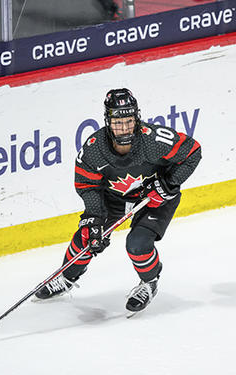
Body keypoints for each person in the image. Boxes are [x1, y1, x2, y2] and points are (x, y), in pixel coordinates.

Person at [34, 88, 201, 312]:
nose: (124, 128)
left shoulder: (153, 141)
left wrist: (169, 183)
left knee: (137, 245)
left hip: (153, 197)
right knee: (87, 236)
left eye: (129, 121)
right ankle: (66, 278)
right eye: (118, 122)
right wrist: (94, 218)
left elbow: (192, 152)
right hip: (113, 200)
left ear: (137, 118)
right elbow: (87, 185)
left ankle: (149, 282)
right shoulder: (94, 149)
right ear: (107, 121)